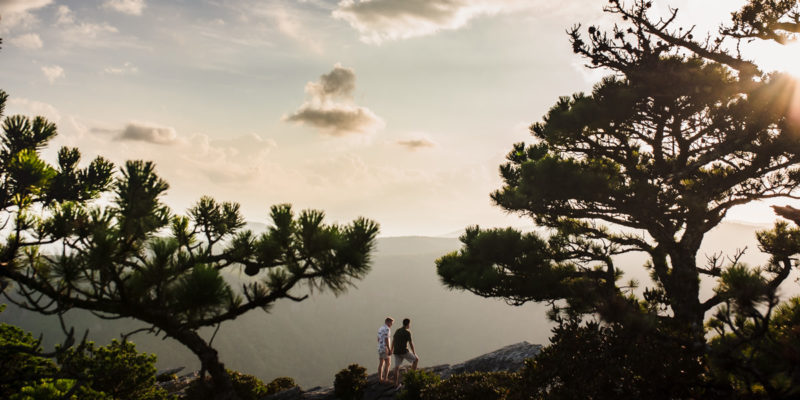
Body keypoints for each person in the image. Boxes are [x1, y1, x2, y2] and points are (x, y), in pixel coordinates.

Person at [391, 318, 419, 388]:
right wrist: (414, 352)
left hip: (396, 352)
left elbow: (393, 340)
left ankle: (395, 385)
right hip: (404, 351)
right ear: (408, 324)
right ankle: (411, 377)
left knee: (396, 368)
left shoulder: (398, 330)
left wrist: (391, 350)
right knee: (416, 359)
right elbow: (410, 343)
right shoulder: (407, 332)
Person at [377, 317, 393, 384]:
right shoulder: (387, 329)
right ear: (388, 322)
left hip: (380, 347)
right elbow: (386, 339)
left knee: (381, 363)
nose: (391, 325)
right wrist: (389, 349)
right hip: (385, 347)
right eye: (391, 323)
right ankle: (385, 379)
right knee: (388, 363)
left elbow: (378, 338)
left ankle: (380, 378)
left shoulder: (380, 328)